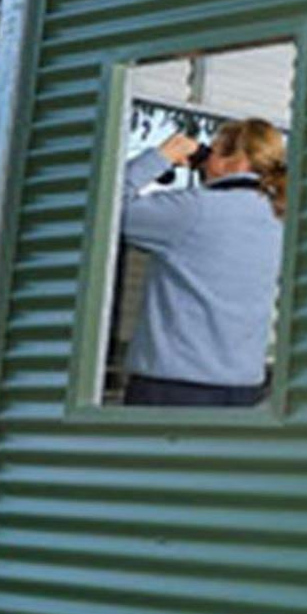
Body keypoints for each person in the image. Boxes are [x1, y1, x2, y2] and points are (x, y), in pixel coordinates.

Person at [117, 117, 288, 407]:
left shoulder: (192, 209)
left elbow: (104, 208)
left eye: (213, 151)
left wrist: (161, 156)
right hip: (245, 389)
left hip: (172, 389)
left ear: (232, 160)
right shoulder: (279, 218)